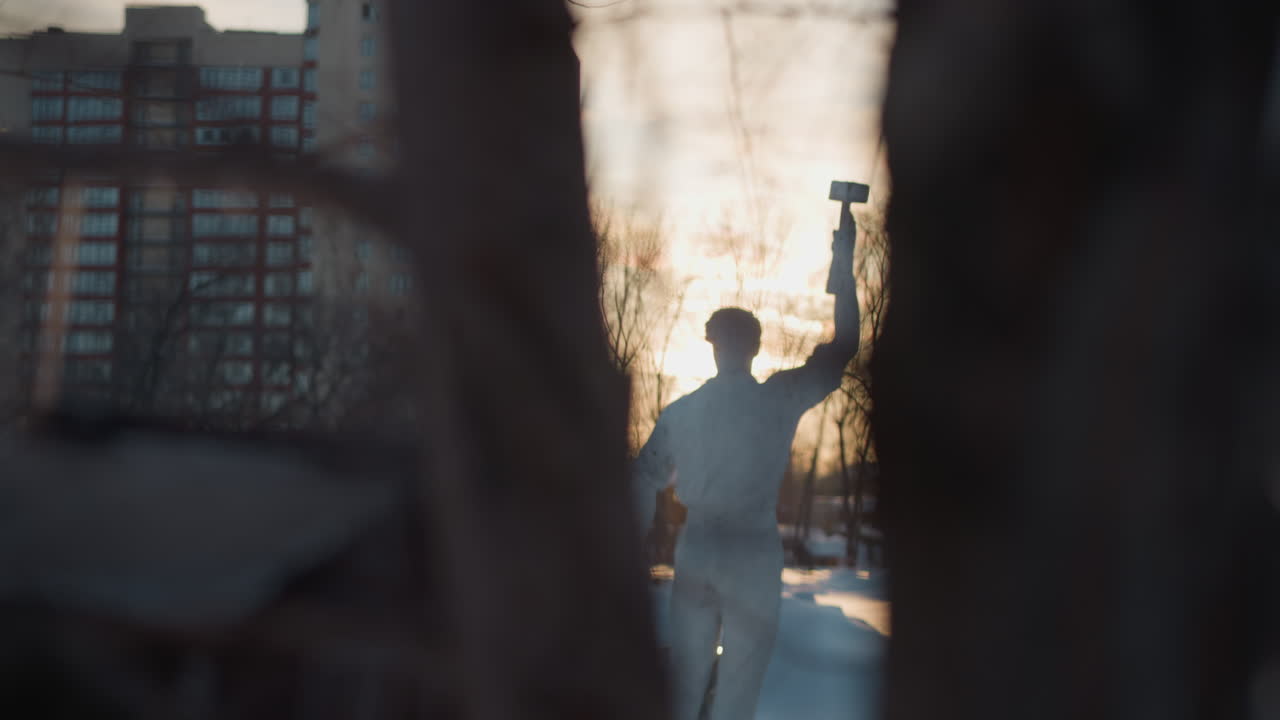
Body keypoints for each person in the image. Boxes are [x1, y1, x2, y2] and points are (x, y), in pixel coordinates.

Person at [633, 222, 860, 720]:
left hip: (699, 548)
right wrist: (843, 267)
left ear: (713, 347)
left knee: (687, 682)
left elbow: (642, 480)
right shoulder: (777, 400)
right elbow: (844, 347)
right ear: (753, 348)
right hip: (753, 550)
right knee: (738, 689)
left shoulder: (684, 412)